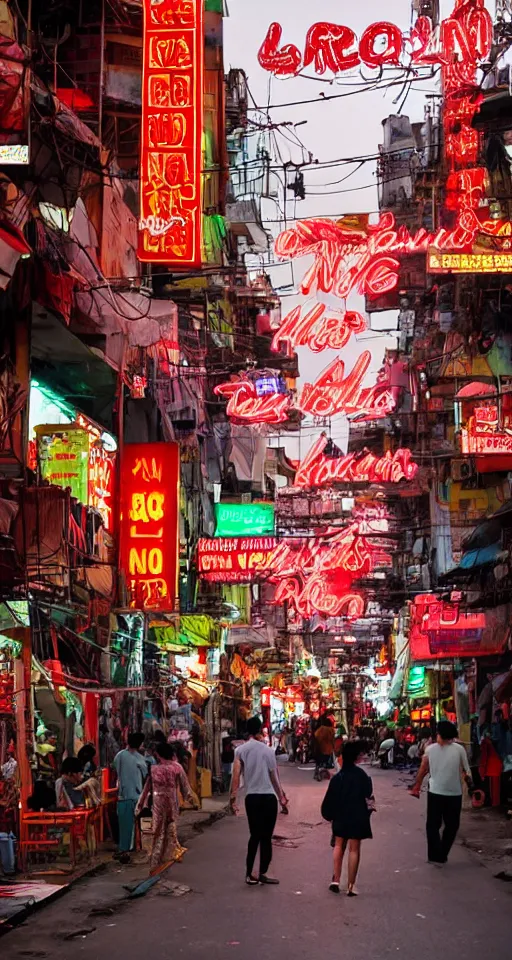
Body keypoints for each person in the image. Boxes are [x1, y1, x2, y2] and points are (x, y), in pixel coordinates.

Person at [230, 716, 289, 886]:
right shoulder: (268, 751)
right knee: (266, 837)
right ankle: (262, 872)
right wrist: (282, 798)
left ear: (248, 730)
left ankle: (249, 874)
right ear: (260, 729)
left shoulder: (240, 751)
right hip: (269, 798)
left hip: (252, 798)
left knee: (254, 836)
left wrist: (233, 800)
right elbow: (274, 777)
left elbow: (236, 777)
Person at [410, 720, 473, 864]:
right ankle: (442, 853)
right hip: (454, 794)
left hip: (436, 793)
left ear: (440, 734)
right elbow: (466, 770)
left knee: (433, 825)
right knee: (452, 826)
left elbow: (423, 769)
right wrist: (471, 785)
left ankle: (435, 854)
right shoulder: (459, 749)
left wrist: (416, 786)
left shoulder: (430, 749)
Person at [321, 740, 374, 896]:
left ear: (343, 757)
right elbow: (368, 795)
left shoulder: (338, 778)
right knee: (354, 849)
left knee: (338, 845)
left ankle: (336, 880)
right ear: (357, 758)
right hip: (358, 817)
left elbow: (329, 800)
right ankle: (351, 886)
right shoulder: (362, 776)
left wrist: (330, 816)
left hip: (340, 816)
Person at [136, 742, 197, 874]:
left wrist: (140, 805)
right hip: (171, 803)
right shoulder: (177, 767)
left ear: (158, 754)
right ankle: (166, 859)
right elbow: (186, 787)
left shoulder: (154, 769)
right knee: (171, 832)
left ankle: (155, 863)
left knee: (158, 833)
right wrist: (191, 800)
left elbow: (146, 789)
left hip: (158, 803)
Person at [113, 732, 148, 863]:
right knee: (136, 824)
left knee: (124, 824)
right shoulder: (140, 758)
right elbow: (145, 775)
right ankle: (133, 849)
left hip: (123, 795)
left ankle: (124, 849)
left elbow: (115, 768)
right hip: (136, 795)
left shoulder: (120, 755)